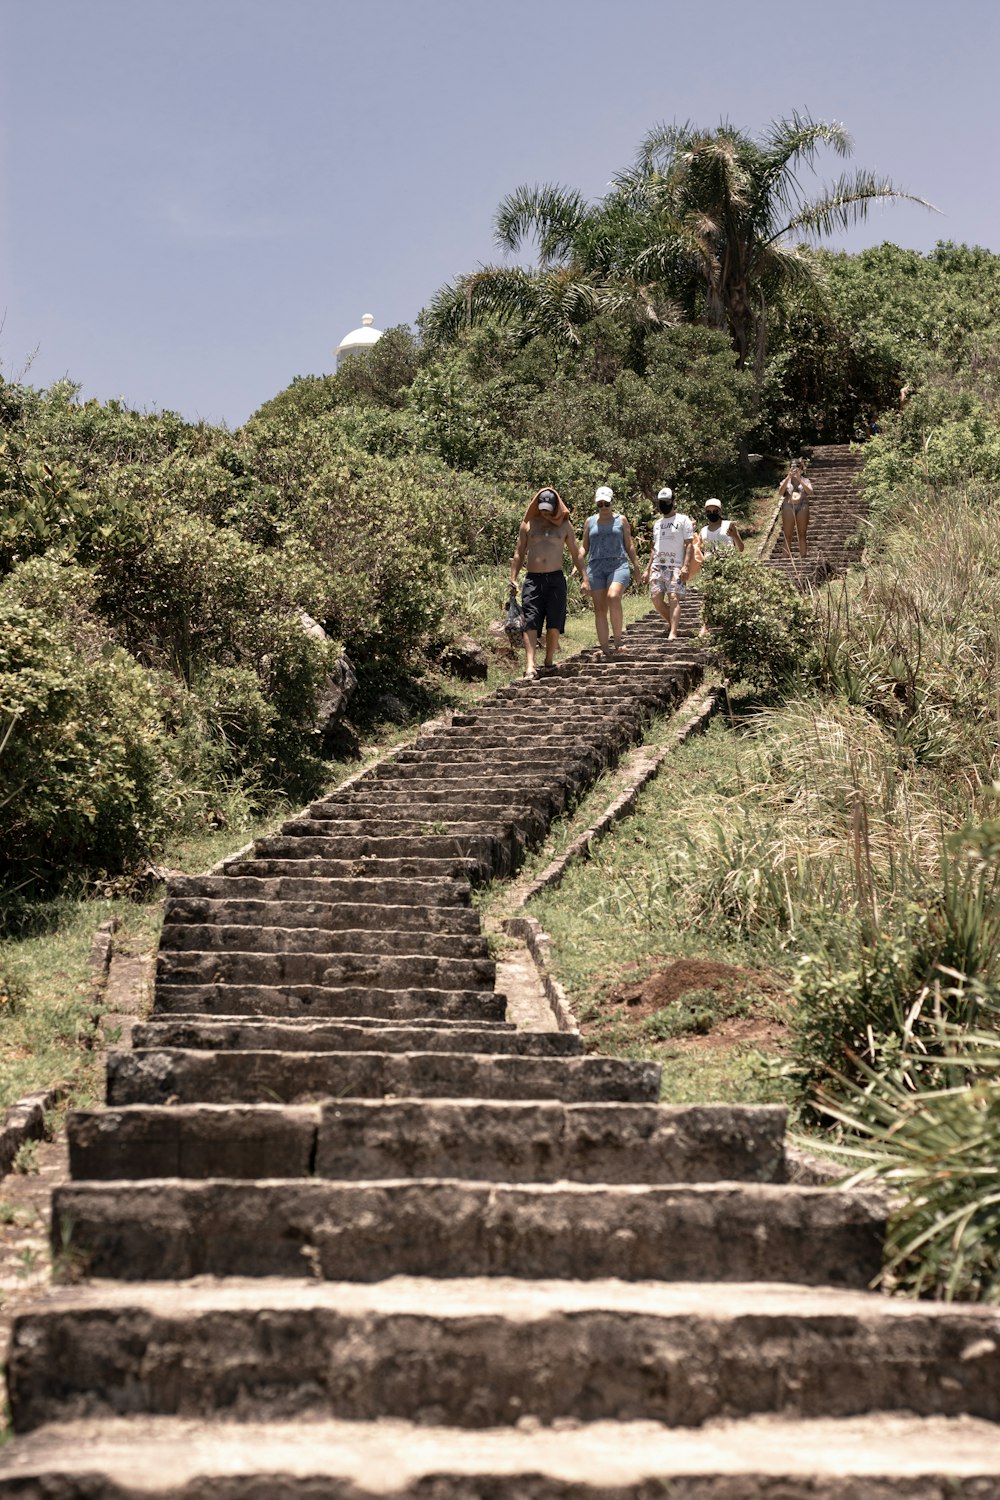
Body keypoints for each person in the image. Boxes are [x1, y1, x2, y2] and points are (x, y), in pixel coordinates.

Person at [509, 487, 585, 678]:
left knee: (554, 623)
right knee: (531, 622)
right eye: (541, 507)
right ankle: (530, 665)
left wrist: (585, 578)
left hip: (555, 579)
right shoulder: (528, 524)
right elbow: (519, 553)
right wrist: (513, 578)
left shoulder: (564, 526)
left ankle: (549, 661)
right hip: (533, 579)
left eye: (547, 508)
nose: (544, 511)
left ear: (555, 506)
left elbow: (576, 553)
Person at [580, 485, 642, 658]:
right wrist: (579, 559)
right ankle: (605, 648)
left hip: (618, 563)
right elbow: (585, 546)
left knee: (613, 596)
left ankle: (618, 641)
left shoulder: (620, 520)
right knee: (599, 609)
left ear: (612, 502)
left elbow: (629, 544)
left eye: (606, 504)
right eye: (600, 504)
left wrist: (636, 566)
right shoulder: (590, 521)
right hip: (596, 566)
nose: (603, 508)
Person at [641, 486, 694, 641]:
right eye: (661, 502)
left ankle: (673, 632)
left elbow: (689, 544)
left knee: (673, 597)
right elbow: (654, 548)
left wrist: (686, 565)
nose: (663, 504)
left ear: (672, 501)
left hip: (676, 564)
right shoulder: (657, 523)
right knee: (656, 598)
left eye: (666, 501)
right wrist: (647, 568)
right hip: (658, 564)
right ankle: (672, 622)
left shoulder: (683, 520)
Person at [778, 461, 813, 560]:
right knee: (787, 533)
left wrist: (799, 479)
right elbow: (780, 492)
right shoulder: (787, 481)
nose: (794, 470)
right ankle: (785, 557)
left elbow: (810, 492)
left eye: (797, 468)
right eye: (792, 467)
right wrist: (788, 477)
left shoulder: (805, 480)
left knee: (802, 533)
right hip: (788, 505)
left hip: (802, 505)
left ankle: (803, 556)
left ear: (801, 469)